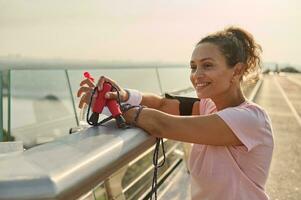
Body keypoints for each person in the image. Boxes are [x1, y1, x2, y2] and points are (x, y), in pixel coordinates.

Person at [77, 26, 274, 200]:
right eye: (193, 67)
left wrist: (115, 109)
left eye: (207, 65)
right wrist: (121, 95)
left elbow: (163, 125)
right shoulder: (208, 106)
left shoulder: (250, 120)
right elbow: (162, 105)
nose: (197, 75)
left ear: (237, 71)